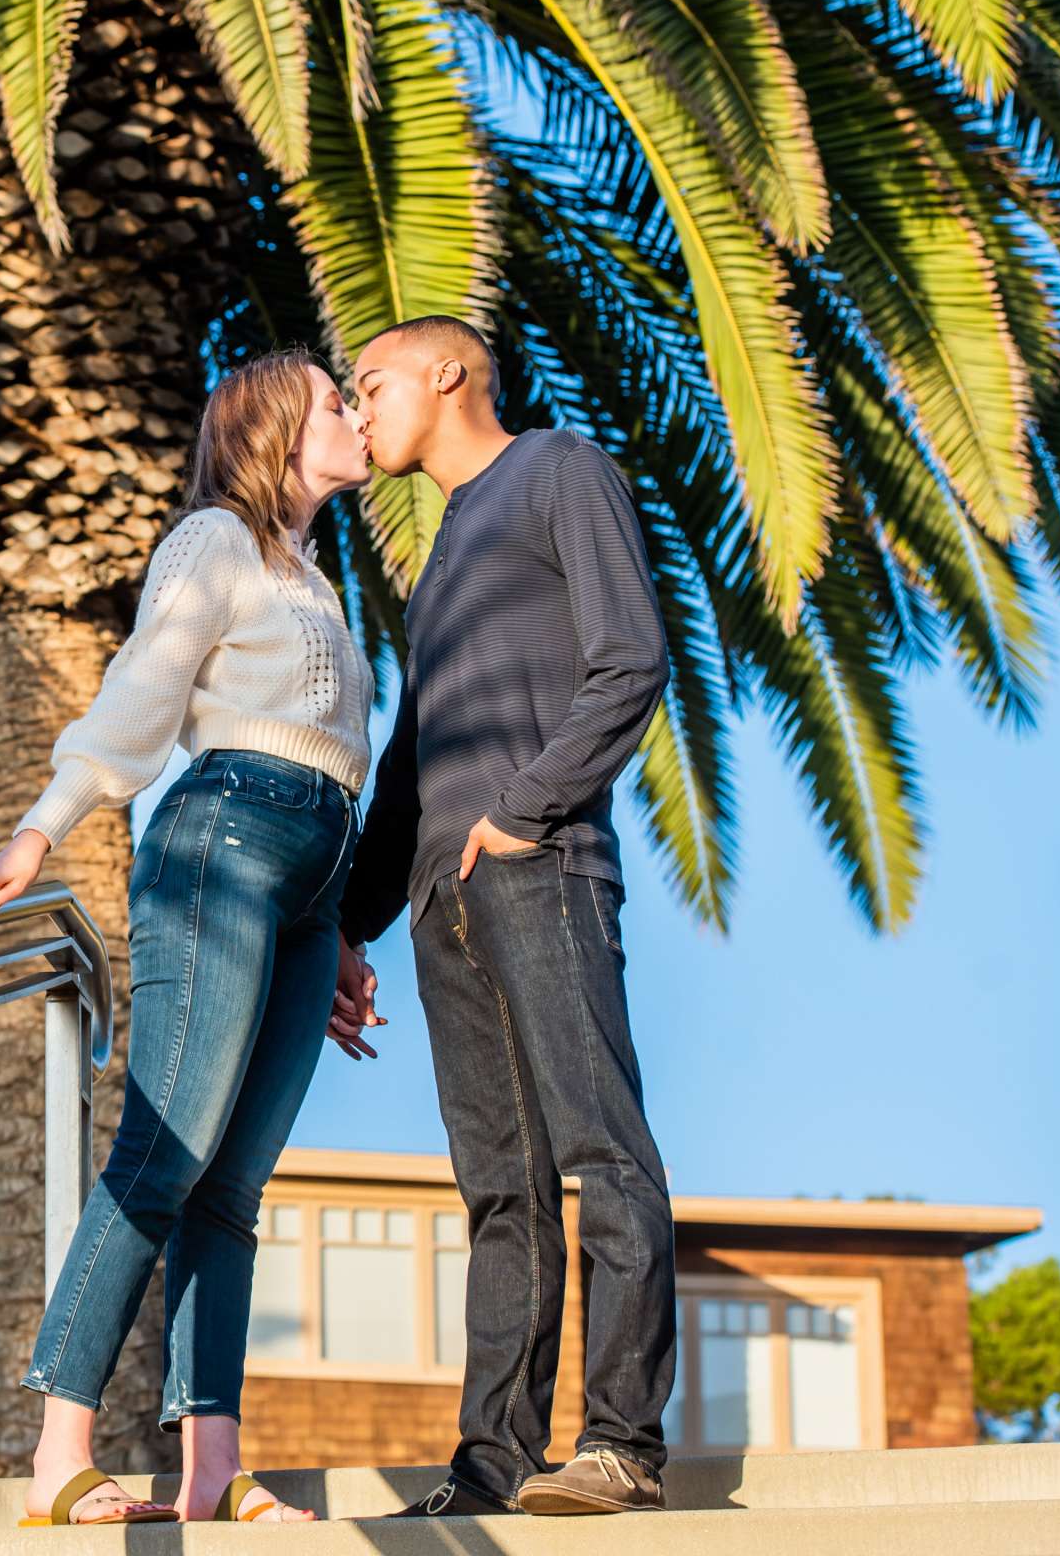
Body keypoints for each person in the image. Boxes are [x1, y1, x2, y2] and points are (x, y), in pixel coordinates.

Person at [0, 349, 374, 1527]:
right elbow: (144, 688)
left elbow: (330, 756)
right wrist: (39, 832)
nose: (358, 414)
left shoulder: (313, 578)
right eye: (339, 402)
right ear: (281, 427)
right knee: (163, 1150)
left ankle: (210, 1470)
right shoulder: (214, 544)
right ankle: (62, 1457)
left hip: (308, 883)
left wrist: (333, 924)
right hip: (222, 844)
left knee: (231, 1187)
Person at [328, 315, 675, 1517]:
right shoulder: (435, 568)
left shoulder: (557, 470)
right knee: (500, 1189)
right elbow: (410, 763)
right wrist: (353, 921)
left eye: (368, 384)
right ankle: (493, 1464)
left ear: (449, 372)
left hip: (541, 865)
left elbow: (631, 658)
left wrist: (527, 812)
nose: (356, 408)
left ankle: (623, 1441)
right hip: (443, 897)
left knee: (600, 1148)